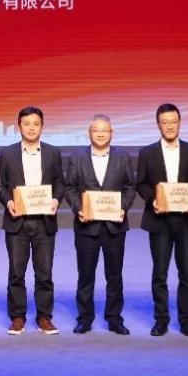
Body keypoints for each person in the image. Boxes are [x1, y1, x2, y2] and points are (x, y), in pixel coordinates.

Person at [136, 103, 188, 337]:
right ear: (158, 124)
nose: (169, 126)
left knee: (186, 273)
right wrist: (153, 199)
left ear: (180, 123)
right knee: (160, 273)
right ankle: (161, 320)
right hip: (159, 220)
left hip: (186, 220)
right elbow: (141, 184)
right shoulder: (147, 152)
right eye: (164, 122)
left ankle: (186, 321)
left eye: (173, 122)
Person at [63, 114, 136, 335]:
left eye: (105, 130)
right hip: (87, 227)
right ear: (89, 133)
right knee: (86, 275)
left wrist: (123, 208)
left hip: (115, 226)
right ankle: (85, 318)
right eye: (96, 130)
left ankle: (114, 319)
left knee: (115, 275)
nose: (101, 134)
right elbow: (69, 188)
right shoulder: (77, 158)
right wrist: (79, 208)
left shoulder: (123, 157)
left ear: (111, 133)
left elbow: (130, 187)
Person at [0, 106, 65, 335]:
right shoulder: (7, 153)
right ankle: (17, 317)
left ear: (42, 126)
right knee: (16, 272)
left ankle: (44, 317)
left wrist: (55, 200)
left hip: (45, 221)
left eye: (36, 123)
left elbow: (60, 183)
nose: (31, 128)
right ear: (19, 127)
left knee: (44, 273)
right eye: (26, 124)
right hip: (17, 221)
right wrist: (8, 202)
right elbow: (1, 186)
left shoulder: (53, 153)